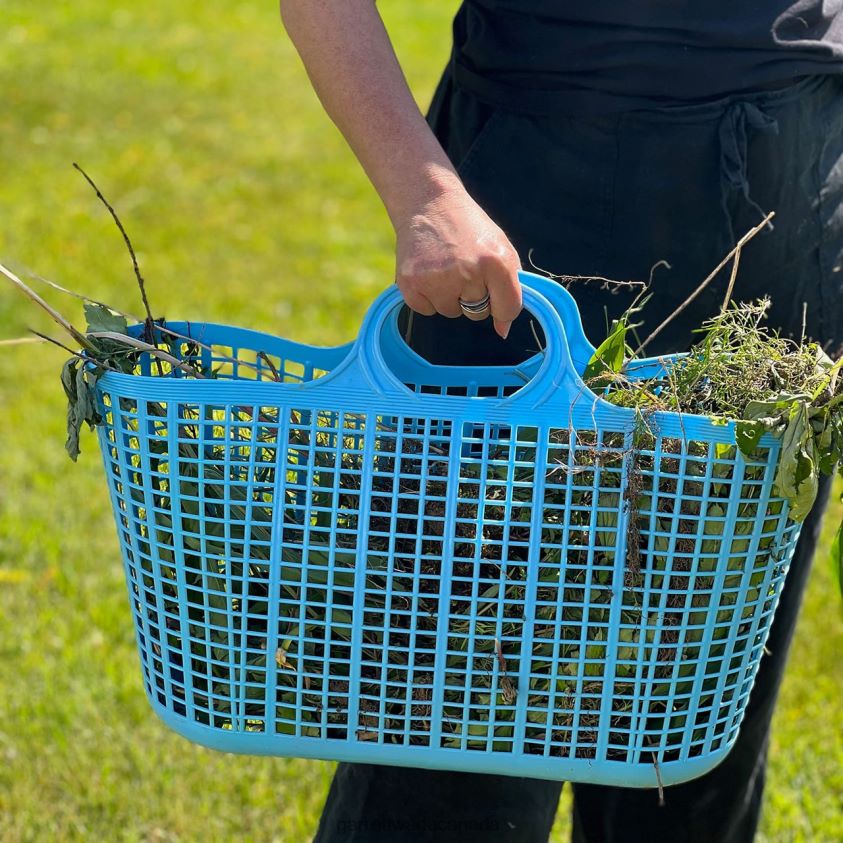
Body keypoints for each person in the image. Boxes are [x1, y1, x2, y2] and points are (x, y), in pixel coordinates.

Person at [278, 3, 843, 840]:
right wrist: (423, 191)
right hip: (535, 194)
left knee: (687, 739)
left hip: (785, 188)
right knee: (454, 716)